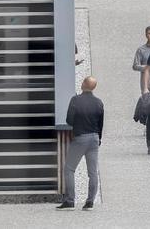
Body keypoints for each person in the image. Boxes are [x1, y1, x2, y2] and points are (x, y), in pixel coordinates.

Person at [57, 76, 104, 211]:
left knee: (69, 169)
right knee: (92, 172)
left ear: (84, 84)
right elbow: (101, 124)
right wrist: (98, 139)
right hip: (94, 138)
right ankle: (89, 202)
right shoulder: (99, 102)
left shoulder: (75, 100)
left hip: (80, 138)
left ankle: (70, 201)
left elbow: (69, 121)